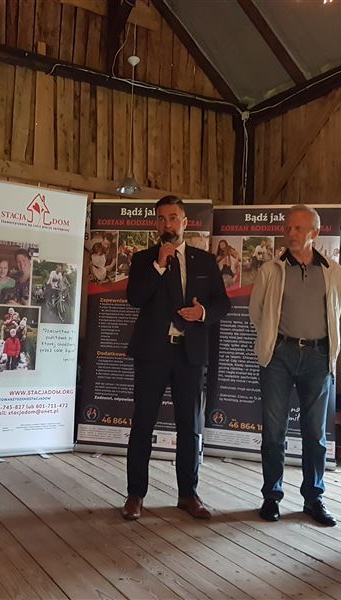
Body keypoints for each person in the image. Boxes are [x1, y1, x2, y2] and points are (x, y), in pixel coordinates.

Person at [121, 196, 230, 521]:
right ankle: (135, 495)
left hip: (189, 354)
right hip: (152, 354)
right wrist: (158, 265)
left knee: (190, 426)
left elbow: (223, 304)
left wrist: (203, 312)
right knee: (143, 424)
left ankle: (188, 495)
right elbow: (135, 298)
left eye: (172, 217)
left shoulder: (205, 261)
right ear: (156, 224)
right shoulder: (144, 259)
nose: (167, 224)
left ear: (184, 222)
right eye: (161, 219)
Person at [249, 204, 341, 527]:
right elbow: (257, 313)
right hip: (279, 355)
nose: (290, 233)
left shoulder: (333, 271)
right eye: (288, 227)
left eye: (298, 228)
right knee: (273, 431)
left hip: (318, 357)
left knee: (315, 433)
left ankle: (314, 498)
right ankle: (271, 496)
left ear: (314, 233)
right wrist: (274, 343)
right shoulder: (271, 270)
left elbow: (336, 312)